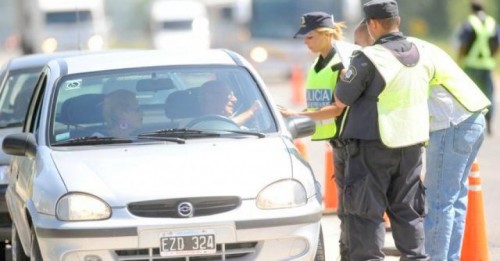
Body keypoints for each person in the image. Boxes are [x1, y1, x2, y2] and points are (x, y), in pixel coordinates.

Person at [355, 19, 491, 260]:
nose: (360, 53)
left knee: (438, 202)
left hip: (451, 124)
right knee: (453, 200)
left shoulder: (394, 56)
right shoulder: (413, 46)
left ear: (374, 31)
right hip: (471, 118)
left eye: (361, 45)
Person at [334, 0, 435, 259]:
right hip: (411, 146)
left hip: (372, 146)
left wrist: (346, 75)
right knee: (408, 212)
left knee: (366, 214)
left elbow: (342, 98)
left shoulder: (368, 56)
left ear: (374, 24)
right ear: (397, 22)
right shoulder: (420, 51)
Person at [279, 12, 350, 258]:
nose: (305, 42)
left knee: (353, 207)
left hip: (351, 141)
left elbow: (338, 107)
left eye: (309, 37)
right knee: (347, 206)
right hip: (338, 142)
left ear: (325, 34)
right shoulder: (318, 63)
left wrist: (298, 115)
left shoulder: (341, 62)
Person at [457, 1, 500, 135]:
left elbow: (463, 45)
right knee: (488, 94)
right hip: (487, 64)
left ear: (471, 9)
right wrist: (492, 57)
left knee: (469, 93)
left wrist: (459, 60)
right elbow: (497, 44)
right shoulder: (492, 23)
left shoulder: (469, 22)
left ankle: (470, 123)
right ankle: (489, 123)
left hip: (470, 64)